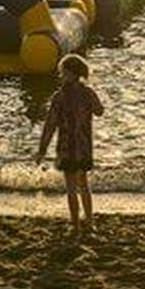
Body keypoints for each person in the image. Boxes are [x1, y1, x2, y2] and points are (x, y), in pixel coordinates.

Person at [36, 54, 106, 232]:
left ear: (71, 73)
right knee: (84, 185)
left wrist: (42, 149)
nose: (61, 76)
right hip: (83, 147)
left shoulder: (59, 97)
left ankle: (75, 224)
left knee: (71, 189)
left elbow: (50, 125)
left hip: (66, 148)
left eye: (63, 72)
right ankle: (89, 222)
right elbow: (100, 111)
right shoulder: (88, 93)